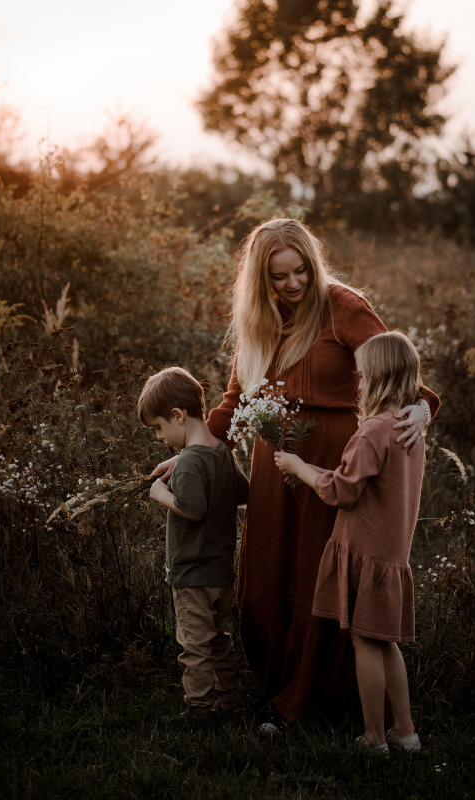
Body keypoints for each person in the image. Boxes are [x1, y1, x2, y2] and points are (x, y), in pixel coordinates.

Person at [152, 218, 439, 727]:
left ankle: (313, 702)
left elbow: (395, 368)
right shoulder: (257, 321)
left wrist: (422, 408)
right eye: (279, 276)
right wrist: (194, 451)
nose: (293, 284)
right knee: (266, 575)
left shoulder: (343, 307)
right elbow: (234, 401)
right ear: (261, 280)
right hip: (273, 461)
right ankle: (277, 690)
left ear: (312, 263)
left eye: (301, 270)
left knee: (314, 578)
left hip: (330, 458)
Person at [274, 331, 425, 754]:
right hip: (392, 554)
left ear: (375, 378)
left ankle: (374, 737)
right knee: (386, 641)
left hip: (364, 552)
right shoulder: (410, 430)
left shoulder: (373, 431)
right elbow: (363, 482)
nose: (357, 384)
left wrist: (301, 467)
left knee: (364, 642)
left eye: (360, 378)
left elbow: (341, 492)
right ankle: (405, 732)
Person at [139, 366, 249, 720]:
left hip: (192, 576)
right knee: (219, 637)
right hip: (220, 573)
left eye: (158, 427)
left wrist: (160, 494)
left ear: (177, 415)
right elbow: (243, 493)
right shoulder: (221, 452)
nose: (159, 437)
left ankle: (199, 709)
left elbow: (192, 508)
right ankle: (229, 698)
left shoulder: (187, 462)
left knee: (194, 646)